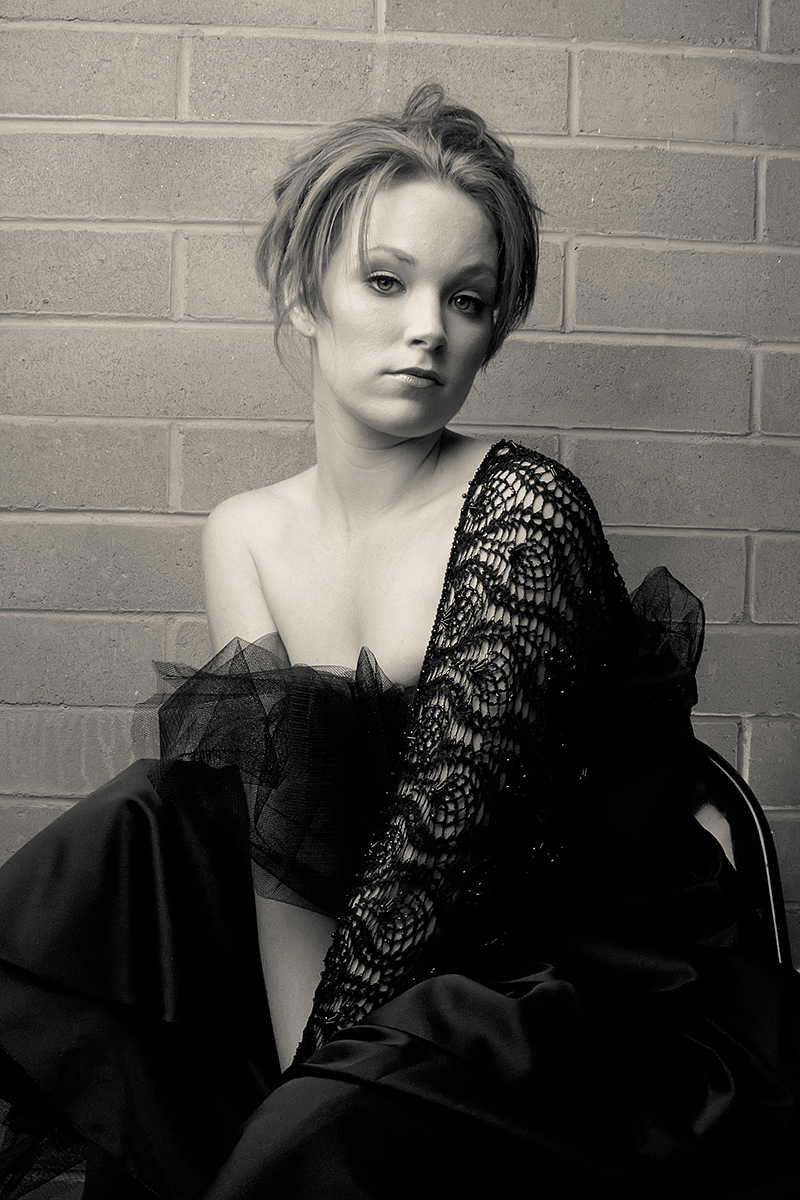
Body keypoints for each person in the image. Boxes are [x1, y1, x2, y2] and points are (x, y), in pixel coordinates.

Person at [0, 83, 798, 1200]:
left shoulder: (525, 513)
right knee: (141, 826)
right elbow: (286, 864)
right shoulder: (246, 532)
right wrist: (302, 1087)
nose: (428, 327)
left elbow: (435, 871)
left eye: (466, 300)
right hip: (370, 968)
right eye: (385, 281)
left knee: (341, 1093)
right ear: (304, 294)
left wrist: (315, 1109)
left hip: (563, 992)